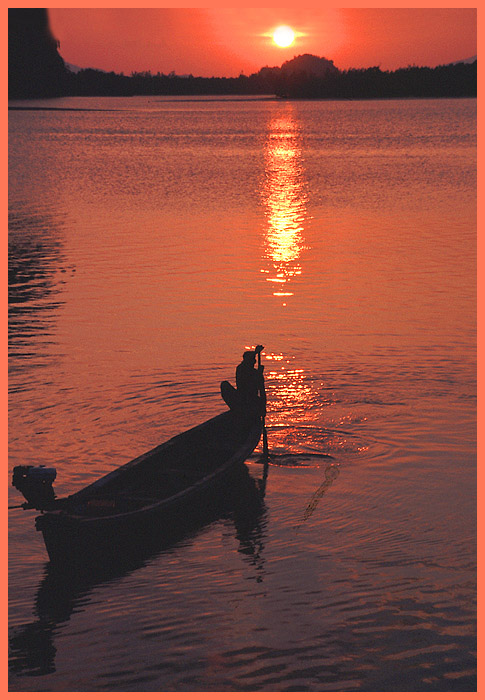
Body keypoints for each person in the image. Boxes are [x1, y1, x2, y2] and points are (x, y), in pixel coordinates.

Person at [236, 344, 266, 418]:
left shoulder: (256, 373)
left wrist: (263, 407)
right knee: (225, 385)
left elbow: (262, 391)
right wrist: (256, 352)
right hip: (242, 399)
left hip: (253, 400)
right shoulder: (241, 369)